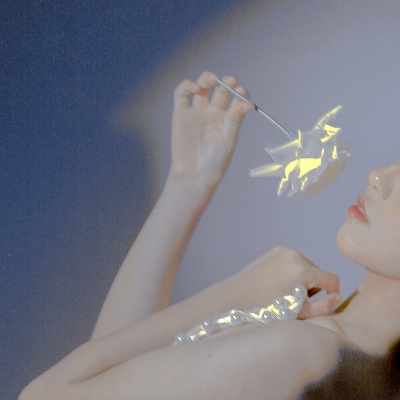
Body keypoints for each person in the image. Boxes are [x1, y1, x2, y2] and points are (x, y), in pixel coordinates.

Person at [19, 71, 400, 399]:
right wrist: (189, 182)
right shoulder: (328, 343)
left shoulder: (305, 350)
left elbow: (44, 396)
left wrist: (233, 295)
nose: (379, 177)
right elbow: (108, 375)